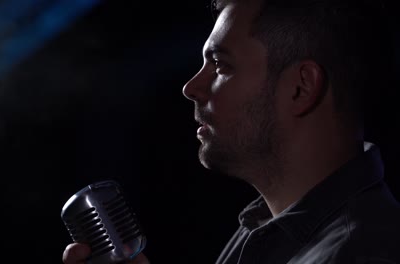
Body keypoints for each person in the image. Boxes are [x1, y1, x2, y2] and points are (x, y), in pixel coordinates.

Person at [63, 0, 400, 263]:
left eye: (221, 65)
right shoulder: (265, 228)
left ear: (301, 88)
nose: (191, 87)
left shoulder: (358, 255)